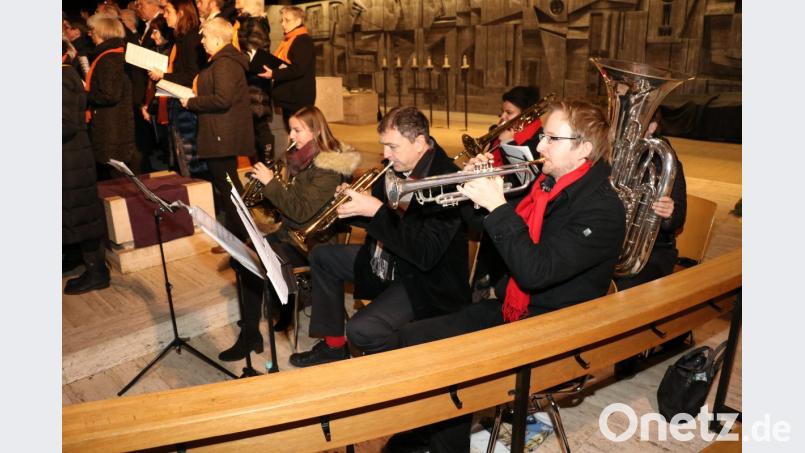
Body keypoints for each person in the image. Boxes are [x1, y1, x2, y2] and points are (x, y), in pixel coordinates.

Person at [387, 99, 626, 452]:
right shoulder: (548, 186)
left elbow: (534, 271)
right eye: (542, 136)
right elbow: (492, 234)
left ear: (583, 149)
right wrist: (475, 189)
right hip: (517, 308)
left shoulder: (601, 209)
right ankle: (433, 427)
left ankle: (441, 437)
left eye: (551, 139)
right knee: (411, 337)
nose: (539, 146)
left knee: (444, 361)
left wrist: (498, 206)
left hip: (553, 329)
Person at [288, 106, 471, 368]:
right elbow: (383, 221)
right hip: (389, 258)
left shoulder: (447, 181)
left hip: (425, 281)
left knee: (362, 330)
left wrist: (375, 211)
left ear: (419, 142)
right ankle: (333, 347)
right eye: (383, 146)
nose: (385, 154)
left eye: (392, 146)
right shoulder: (394, 167)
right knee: (322, 256)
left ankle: (398, 369)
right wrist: (354, 208)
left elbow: (425, 253)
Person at [218, 106, 362, 361]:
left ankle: (258, 327)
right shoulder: (300, 159)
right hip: (289, 232)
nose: (291, 135)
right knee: (241, 256)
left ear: (315, 131)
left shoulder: (328, 166)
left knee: (253, 261)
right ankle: (254, 329)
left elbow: (302, 212)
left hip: (313, 243)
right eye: (290, 129)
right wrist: (265, 189)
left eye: (297, 130)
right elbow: (289, 200)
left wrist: (271, 184)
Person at [613, 110, 688, 378]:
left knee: (627, 285)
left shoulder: (667, 161)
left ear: (653, 126)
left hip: (652, 249)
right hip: (614, 242)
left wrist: (668, 211)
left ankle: (628, 350)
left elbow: (678, 218)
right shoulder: (613, 152)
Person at [181, 17, 254, 240]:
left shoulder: (225, 63)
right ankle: (239, 237)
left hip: (222, 136)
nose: (201, 41)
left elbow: (223, 99)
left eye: (204, 36)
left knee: (231, 190)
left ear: (215, 38)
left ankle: (247, 238)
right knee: (229, 189)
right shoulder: (222, 61)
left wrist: (191, 102)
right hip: (219, 134)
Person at [62, 39, 110, 295]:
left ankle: (97, 271)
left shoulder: (62, 78)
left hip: (72, 156)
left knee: (82, 214)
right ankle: (80, 259)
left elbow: (65, 124)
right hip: (70, 156)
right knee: (74, 213)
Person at [146, 0, 205, 174]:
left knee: (192, 163)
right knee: (182, 161)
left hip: (188, 107)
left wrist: (163, 76)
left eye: (167, 11)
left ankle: (201, 199)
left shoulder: (190, 38)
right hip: (180, 104)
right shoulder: (180, 38)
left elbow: (192, 76)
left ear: (180, 13)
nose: (164, 15)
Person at [85, 15, 137, 181]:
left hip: (113, 129)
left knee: (117, 179)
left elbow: (110, 94)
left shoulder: (109, 58)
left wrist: (85, 94)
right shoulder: (109, 55)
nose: (90, 34)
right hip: (112, 127)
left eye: (93, 31)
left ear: (102, 33)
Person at [257, 6, 315, 128]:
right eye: (282, 20)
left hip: (298, 100)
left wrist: (273, 74)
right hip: (289, 99)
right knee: (292, 134)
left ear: (299, 21)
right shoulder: (289, 39)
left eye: (287, 20)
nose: (283, 24)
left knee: (301, 133)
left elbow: (298, 69)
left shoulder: (303, 40)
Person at [234, 0, 273, 163]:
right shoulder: (247, 23)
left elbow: (254, 56)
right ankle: (263, 168)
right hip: (251, 84)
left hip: (256, 85)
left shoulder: (254, 24)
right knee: (257, 129)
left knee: (261, 128)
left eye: (240, 1)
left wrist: (233, 58)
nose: (236, 4)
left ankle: (268, 167)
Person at [489, 85, 543, 167]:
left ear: (526, 115)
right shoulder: (499, 132)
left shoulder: (538, 141)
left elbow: (522, 175)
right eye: (502, 111)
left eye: (509, 112)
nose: (502, 116)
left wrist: (508, 143)